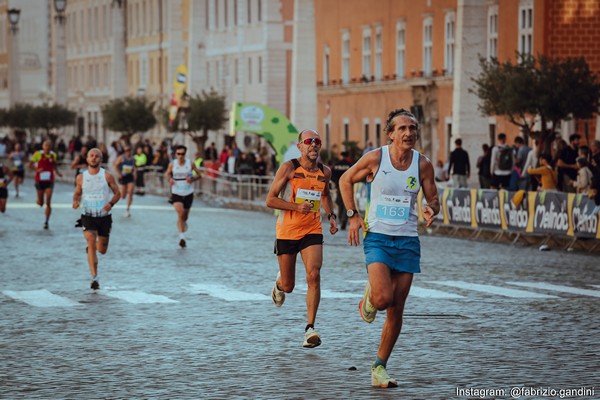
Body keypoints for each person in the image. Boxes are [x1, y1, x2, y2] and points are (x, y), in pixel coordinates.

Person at [339, 108, 439, 388]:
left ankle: (379, 367)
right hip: (379, 238)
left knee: (397, 309)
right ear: (391, 134)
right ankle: (370, 297)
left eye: (413, 128)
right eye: (402, 128)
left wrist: (431, 208)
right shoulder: (376, 158)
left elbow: (434, 198)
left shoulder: (423, 165)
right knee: (383, 299)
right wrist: (352, 215)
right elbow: (345, 179)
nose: (409, 133)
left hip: (408, 241)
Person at [265, 129, 338, 348]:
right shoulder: (289, 168)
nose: (314, 145)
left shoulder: (325, 171)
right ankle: (279, 283)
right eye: (309, 142)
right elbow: (270, 200)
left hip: (312, 230)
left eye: (317, 142)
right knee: (289, 286)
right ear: (300, 147)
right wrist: (296, 206)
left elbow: (325, 194)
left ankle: (310, 328)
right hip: (287, 231)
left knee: (314, 275)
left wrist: (332, 216)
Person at [73, 148, 120, 290]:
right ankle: (95, 278)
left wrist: (111, 203)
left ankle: (93, 248)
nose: (94, 158)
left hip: (104, 217)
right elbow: (77, 193)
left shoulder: (107, 176)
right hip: (87, 216)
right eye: (91, 156)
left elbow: (118, 193)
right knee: (91, 240)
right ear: (87, 159)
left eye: (97, 156)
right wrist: (75, 200)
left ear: (101, 159)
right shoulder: (81, 177)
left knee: (102, 249)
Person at [165, 145, 203, 248]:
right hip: (176, 192)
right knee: (180, 213)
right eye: (178, 154)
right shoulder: (173, 164)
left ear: (185, 154)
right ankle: (182, 238)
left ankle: (183, 224)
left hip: (188, 192)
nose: (180, 156)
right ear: (175, 154)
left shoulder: (190, 164)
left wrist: (193, 179)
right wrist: (170, 179)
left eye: (182, 154)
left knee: (185, 216)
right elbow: (167, 174)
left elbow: (200, 175)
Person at [29, 140, 63, 229]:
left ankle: (46, 221)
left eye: (49, 145)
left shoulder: (53, 155)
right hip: (39, 180)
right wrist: (36, 170)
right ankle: (39, 200)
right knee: (41, 203)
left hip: (49, 180)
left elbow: (54, 165)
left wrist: (58, 173)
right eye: (45, 145)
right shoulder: (37, 154)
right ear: (43, 146)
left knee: (48, 202)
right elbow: (30, 165)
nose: (47, 147)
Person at [331, 151, 354, 229]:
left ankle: (341, 219)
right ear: (347, 156)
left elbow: (332, 175)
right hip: (348, 187)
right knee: (346, 204)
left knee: (339, 202)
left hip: (339, 187)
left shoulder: (337, 165)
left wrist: (336, 183)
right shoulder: (350, 165)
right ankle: (344, 219)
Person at [113, 146, 136, 217]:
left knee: (131, 192)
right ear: (124, 151)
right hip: (123, 177)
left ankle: (128, 209)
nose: (128, 152)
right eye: (126, 151)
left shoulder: (133, 158)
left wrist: (135, 175)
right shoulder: (121, 158)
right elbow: (115, 166)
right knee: (123, 196)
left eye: (129, 150)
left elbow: (134, 168)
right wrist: (118, 174)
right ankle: (122, 191)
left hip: (130, 177)